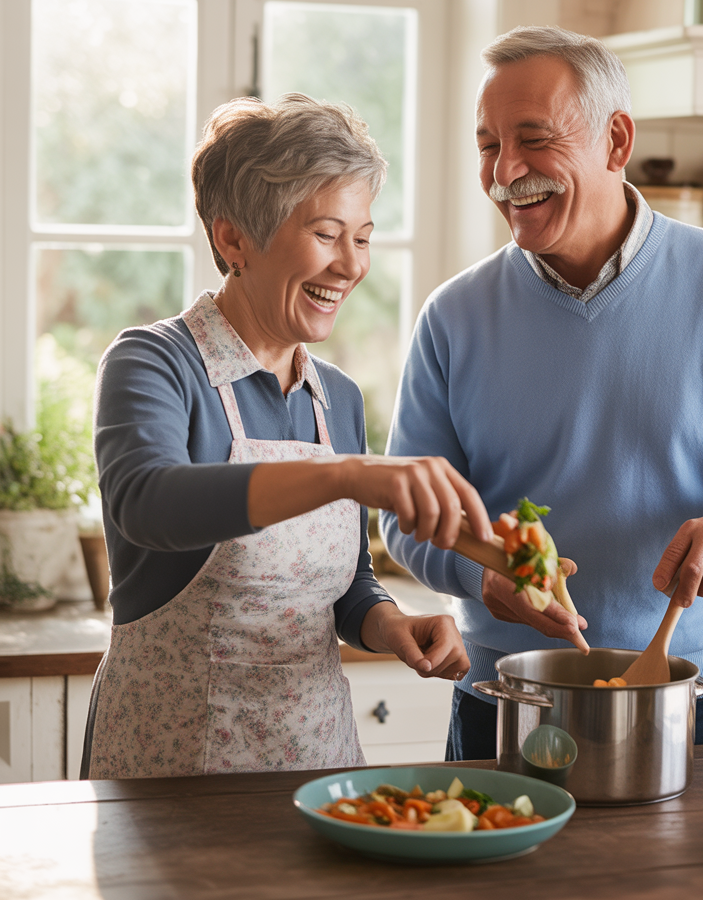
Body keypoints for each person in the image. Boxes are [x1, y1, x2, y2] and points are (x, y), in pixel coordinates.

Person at [380, 26, 703, 759]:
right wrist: (480, 572)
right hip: (509, 702)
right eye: (488, 145)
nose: (505, 171)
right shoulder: (453, 316)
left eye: (533, 139)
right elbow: (406, 518)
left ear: (616, 142)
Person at [83, 93, 492, 779]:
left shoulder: (337, 396)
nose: (352, 265)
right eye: (328, 234)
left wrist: (395, 625)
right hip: (171, 772)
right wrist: (346, 475)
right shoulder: (154, 362)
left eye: (362, 237)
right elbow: (147, 504)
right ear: (233, 239)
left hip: (317, 767)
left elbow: (348, 585)